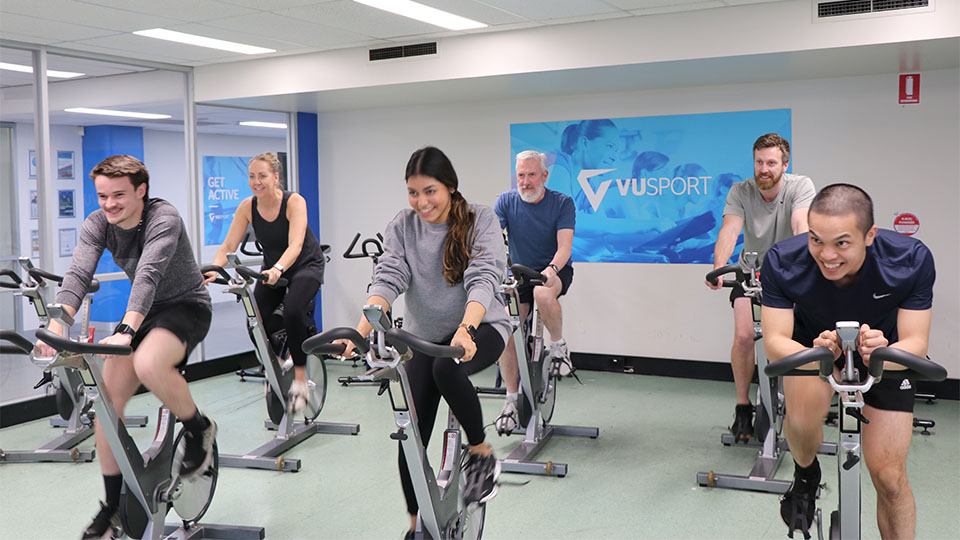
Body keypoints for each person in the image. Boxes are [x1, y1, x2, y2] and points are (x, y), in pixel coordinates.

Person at [34, 155, 215, 540]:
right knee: (106, 401)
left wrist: (126, 329)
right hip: (145, 313)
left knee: (150, 363)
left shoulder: (164, 218)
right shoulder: (99, 223)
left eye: (118, 195)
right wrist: (55, 323)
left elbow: (148, 273)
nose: (109, 204)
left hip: (186, 306)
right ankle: (113, 507)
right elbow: (79, 272)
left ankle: (199, 429)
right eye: (102, 196)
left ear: (141, 191)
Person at [338, 146, 510, 536]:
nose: (421, 202)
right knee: (410, 430)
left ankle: (482, 453)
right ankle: (417, 527)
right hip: (422, 336)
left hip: (480, 328)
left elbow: (483, 277)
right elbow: (388, 278)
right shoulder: (404, 225)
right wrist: (360, 333)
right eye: (413, 192)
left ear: (449, 187)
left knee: (445, 369)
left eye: (429, 191)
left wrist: (465, 329)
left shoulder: (479, 219)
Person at [761, 184, 935, 539]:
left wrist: (886, 351)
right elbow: (776, 343)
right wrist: (820, 353)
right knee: (803, 420)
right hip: (814, 350)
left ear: (869, 235)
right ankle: (807, 473)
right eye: (815, 240)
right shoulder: (783, 260)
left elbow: (916, 343)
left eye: (841, 243)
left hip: (886, 353)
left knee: (889, 477)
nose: (826, 255)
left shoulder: (909, 259)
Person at [705, 133, 815, 442]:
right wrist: (718, 267)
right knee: (743, 337)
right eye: (759, 162)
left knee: (785, 341)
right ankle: (743, 406)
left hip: (788, 272)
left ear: (784, 164)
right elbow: (729, 230)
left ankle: (796, 407)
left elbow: (800, 227)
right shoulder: (741, 191)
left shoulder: (800, 186)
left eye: (771, 163)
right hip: (749, 272)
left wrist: (799, 268)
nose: (764, 169)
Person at [205, 152, 325, 413]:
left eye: (262, 175)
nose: (256, 181)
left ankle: (302, 377)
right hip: (272, 269)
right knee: (256, 320)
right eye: (251, 176)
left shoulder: (294, 202)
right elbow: (228, 245)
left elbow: (296, 244)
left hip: (305, 266)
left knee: (293, 310)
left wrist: (278, 268)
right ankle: (276, 366)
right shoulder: (248, 206)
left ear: (276, 177)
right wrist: (214, 268)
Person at [493, 150, 576, 432]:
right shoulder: (506, 202)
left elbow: (564, 246)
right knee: (507, 324)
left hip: (554, 269)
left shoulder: (562, 203)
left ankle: (559, 347)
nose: (526, 181)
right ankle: (510, 400)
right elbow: (492, 240)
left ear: (544, 176)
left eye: (531, 175)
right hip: (519, 273)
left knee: (543, 294)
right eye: (521, 175)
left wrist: (551, 269)